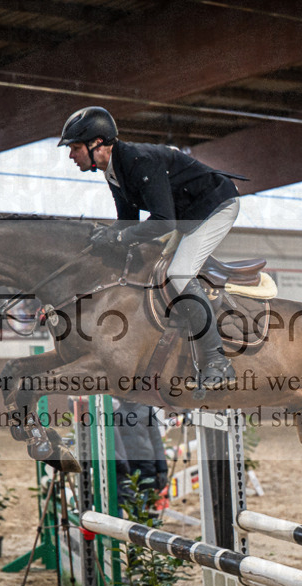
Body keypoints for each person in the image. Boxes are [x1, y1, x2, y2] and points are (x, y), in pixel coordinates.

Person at [58, 106, 242, 390]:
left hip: (216, 206)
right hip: (188, 214)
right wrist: (97, 240)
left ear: (98, 144)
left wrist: (117, 239)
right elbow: (127, 222)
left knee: (179, 276)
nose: (71, 155)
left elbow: (163, 222)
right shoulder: (112, 170)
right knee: (156, 269)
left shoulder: (139, 161)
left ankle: (218, 361)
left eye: (75, 147)